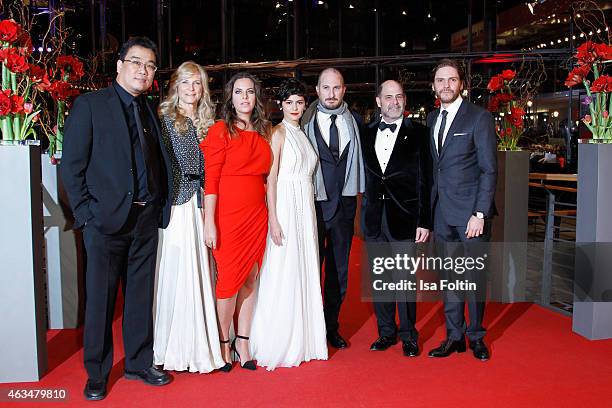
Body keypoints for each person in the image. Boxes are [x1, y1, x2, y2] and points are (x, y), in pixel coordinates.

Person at [60, 37, 172, 401]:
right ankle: (97, 373)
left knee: (140, 297)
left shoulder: (149, 109)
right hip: (104, 222)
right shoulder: (90, 105)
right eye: (137, 62)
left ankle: (139, 362)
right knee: (101, 301)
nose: (144, 70)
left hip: (145, 218)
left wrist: (160, 204)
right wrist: (86, 216)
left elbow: (155, 162)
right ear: (120, 65)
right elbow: (72, 166)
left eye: (151, 65)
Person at [250, 79, 328, 370]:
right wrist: (273, 218)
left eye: (299, 102)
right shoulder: (278, 133)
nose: (295, 107)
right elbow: (270, 180)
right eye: (289, 102)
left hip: (305, 207)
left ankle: (306, 338)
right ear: (280, 105)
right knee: (284, 268)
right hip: (285, 205)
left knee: (304, 267)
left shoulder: (302, 133)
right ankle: (280, 338)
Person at [153, 61, 225, 373]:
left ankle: (201, 346)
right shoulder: (165, 118)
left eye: (197, 84)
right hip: (177, 204)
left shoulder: (209, 122)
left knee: (200, 272)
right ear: (176, 86)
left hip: (202, 205)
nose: (191, 90)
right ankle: (171, 348)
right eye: (186, 83)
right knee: (176, 272)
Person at [426, 59, 497, 361]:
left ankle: (476, 336)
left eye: (452, 80)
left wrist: (480, 213)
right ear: (433, 86)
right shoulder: (431, 119)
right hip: (442, 215)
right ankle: (454, 336)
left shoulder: (478, 118)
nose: (446, 85)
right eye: (440, 81)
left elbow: (489, 170)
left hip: (471, 217)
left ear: (462, 84)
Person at [200, 72, 272, 371]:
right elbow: (212, 180)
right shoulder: (220, 130)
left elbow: (268, 178)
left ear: (256, 97)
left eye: (250, 92)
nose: (244, 97)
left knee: (251, 278)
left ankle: (243, 341)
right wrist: (209, 221)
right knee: (228, 282)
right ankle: (222, 342)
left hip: (257, 214)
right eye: (239, 92)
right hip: (227, 216)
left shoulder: (265, 131)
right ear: (230, 97)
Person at [361, 80, 431, 357]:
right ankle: (386, 332)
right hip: (375, 218)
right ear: (378, 101)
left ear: (405, 101)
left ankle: (409, 335)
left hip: (406, 217)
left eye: (398, 96)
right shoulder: (365, 133)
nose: (394, 101)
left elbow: (427, 180)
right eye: (388, 97)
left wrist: (424, 220)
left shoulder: (420, 133)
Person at [302, 68, 365, 349]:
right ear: (317, 91)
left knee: (339, 273)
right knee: (309, 270)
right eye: (325, 88)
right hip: (311, 208)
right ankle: (308, 328)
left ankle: (331, 327)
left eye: (336, 88)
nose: (331, 94)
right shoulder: (302, 123)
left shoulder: (356, 124)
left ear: (344, 90)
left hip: (343, 210)